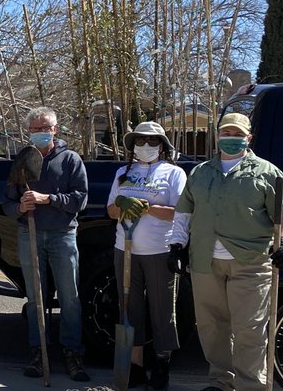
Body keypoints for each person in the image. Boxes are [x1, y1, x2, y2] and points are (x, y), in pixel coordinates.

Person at [169, 113, 283, 391]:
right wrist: (177, 244)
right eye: (226, 133)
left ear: (248, 138)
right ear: (218, 136)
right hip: (205, 260)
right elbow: (184, 212)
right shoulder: (200, 173)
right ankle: (221, 381)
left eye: (237, 135)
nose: (231, 139)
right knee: (212, 326)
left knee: (249, 329)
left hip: (251, 261)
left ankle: (251, 385)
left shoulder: (268, 172)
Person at [3, 106, 90, 381]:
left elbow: (81, 200)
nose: (41, 132)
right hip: (29, 233)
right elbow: (7, 202)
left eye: (46, 128)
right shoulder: (23, 160)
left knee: (69, 297)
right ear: (28, 132)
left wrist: (48, 199)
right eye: (35, 129)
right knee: (35, 297)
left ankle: (72, 351)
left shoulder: (70, 159)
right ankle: (38, 350)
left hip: (62, 234)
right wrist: (20, 206)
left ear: (55, 129)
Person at [104, 121, 186, 389]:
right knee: (130, 309)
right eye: (141, 141)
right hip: (125, 250)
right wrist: (121, 205)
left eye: (152, 141)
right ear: (133, 145)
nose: (146, 146)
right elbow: (111, 211)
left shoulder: (173, 174)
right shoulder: (122, 173)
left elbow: (179, 211)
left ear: (162, 146)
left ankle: (162, 364)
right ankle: (136, 365)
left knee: (162, 310)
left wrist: (148, 207)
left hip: (159, 250)